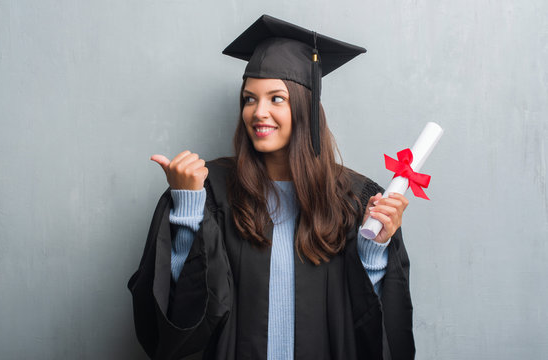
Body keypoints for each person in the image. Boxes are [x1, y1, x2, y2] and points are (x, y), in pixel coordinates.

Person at [128, 15, 415, 360]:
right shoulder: (211, 190)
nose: (258, 112)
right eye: (249, 99)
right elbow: (176, 316)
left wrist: (374, 248)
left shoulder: (355, 198)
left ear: (305, 107)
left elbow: (374, 326)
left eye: (276, 99)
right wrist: (188, 207)